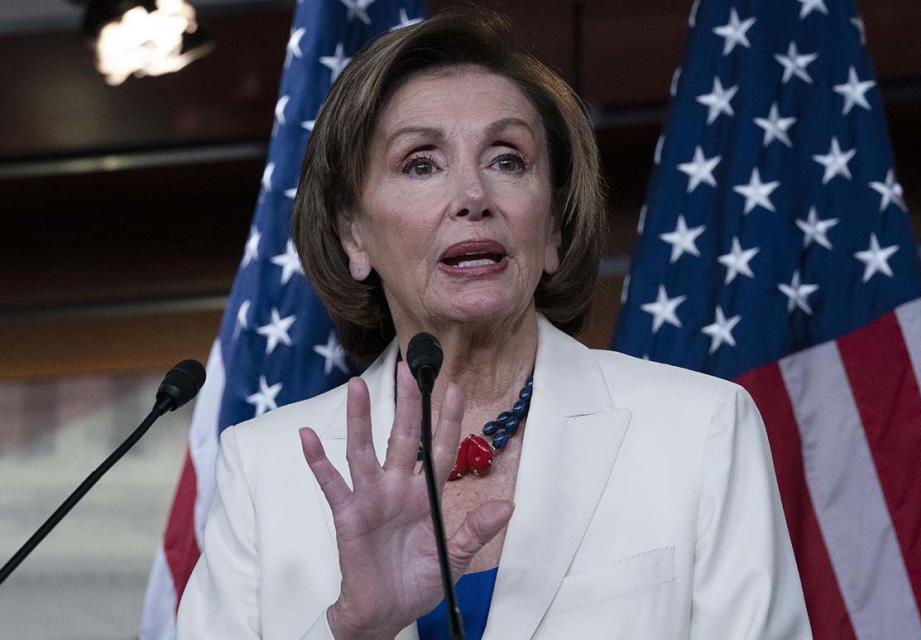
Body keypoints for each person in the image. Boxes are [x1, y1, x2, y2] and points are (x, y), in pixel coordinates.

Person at [177, 9, 812, 639]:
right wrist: (353, 628)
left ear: (555, 227)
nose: (474, 195)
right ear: (354, 235)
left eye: (508, 159)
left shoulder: (699, 429)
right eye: (421, 163)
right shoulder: (264, 470)